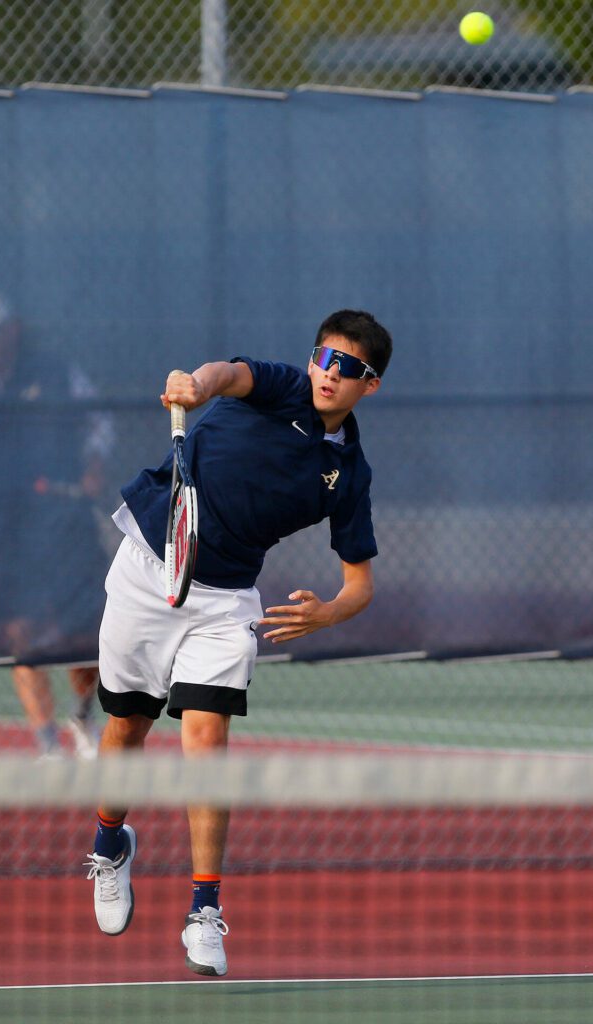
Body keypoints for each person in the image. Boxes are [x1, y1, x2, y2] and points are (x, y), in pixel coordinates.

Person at [85, 309, 393, 975]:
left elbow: (359, 582)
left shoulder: (349, 476)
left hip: (226, 603)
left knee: (206, 741)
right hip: (148, 567)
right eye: (323, 357)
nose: (328, 374)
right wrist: (195, 386)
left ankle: (203, 910)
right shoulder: (283, 386)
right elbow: (227, 374)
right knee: (126, 727)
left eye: (347, 368)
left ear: (369, 385)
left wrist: (328, 614)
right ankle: (110, 843)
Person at [0, 290, 112, 758]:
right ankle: (47, 741)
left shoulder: (54, 372)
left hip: (64, 522)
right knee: (21, 633)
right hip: (0, 529)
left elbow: (98, 421)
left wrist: (94, 464)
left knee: (88, 632)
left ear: (11, 331)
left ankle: (81, 715)